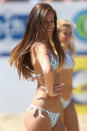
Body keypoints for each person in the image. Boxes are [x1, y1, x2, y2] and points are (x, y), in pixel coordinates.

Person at [9, 3, 66, 131]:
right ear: (35, 23)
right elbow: (47, 70)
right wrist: (51, 91)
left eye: (52, 21)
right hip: (40, 112)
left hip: (53, 114)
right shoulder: (40, 46)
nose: (50, 25)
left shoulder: (48, 45)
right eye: (45, 22)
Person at [57, 19, 79, 131]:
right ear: (57, 34)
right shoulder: (55, 51)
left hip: (68, 98)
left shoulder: (66, 50)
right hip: (57, 98)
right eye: (65, 33)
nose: (69, 36)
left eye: (70, 33)